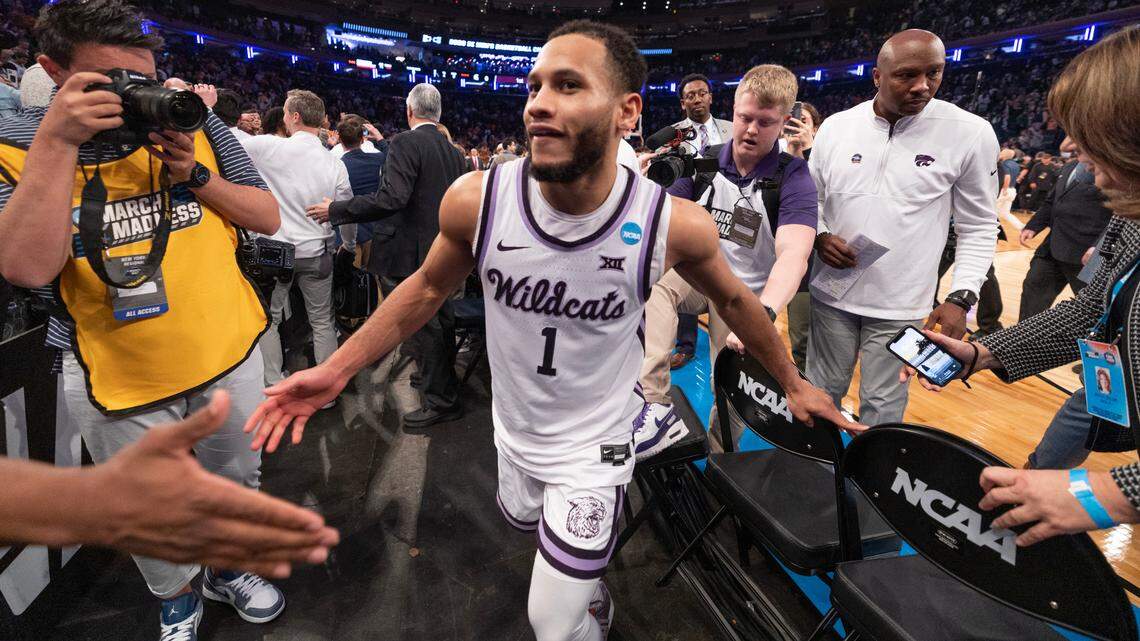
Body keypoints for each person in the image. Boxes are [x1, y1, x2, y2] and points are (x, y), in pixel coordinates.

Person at [244, 20, 859, 641]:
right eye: (535, 86)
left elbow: (737, 299)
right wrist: (336, 367)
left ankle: (603, 548)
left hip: (597, 448)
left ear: (627, 112)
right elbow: (426, 289)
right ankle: (591, 589)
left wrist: (792, 381)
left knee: (550, 621)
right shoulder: (474, 199)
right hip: (515, 434)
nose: (539, 101)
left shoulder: (673, 223)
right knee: (539, 542)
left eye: (568, 85)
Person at [0, 2, 288, 638]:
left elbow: (264, 216)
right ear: (53, 73)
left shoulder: (193, 120)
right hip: (114, 370)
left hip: (228, 351)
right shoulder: (15, 145)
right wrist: (57, 141)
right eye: (112, 81)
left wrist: (193, 174)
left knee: (236, 481)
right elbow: (24, 266)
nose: (138, 96)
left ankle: (225, 569)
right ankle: (176, 597)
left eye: (145, 78)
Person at [906, 26, 1140, 547]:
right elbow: (1087, 314)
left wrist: (1108, 493)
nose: (1073, 149)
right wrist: (981, 353)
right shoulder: (1131, 215)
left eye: (1089, 133)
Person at [807, 29, 1000, 425]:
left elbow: (979, 226)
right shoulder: (837, 127)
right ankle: (814, 475)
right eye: (907, 75)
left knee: (883, 410)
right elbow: (812, 202)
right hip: (831, 295)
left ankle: (866, 486)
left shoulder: (971, 133)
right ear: (877, 76)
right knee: (820, 394)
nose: (922, 86)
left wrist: (961, 297)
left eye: (934, 73)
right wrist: (820, 235)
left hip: (903, 307)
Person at [638, 64, 818, 456]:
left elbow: (795, 253)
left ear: (784, 122)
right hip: (704, 279)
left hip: (749, 297)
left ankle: (721, 463)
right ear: (732, 111)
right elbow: (664, 216)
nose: (751, 130)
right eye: (745, 118)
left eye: (765, 122)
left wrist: (766, 311)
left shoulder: (795, 177)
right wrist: (638, 187)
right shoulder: (705, 161)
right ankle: (653, 407)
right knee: (653, 281)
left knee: (730, 388)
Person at [0, 391, 339, 578]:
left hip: (223, 341)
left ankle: (227, 576)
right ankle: (177, 601)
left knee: (239, 473)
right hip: (104, 360)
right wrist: (97, 502)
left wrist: (96, 501)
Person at [305, 83, 468, 429]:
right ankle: (437, 383)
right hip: (443, 250)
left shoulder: (406, 142)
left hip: (408, 252)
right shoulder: (454, 152)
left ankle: (441, 399)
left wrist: (337, 209)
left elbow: (391, 198)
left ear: (410, 111)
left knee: (422, 328)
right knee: (440, 322)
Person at [241, 90, 354, 388]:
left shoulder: (269, 148)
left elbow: (227, 142)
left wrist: (209, 111)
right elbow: (346, 209)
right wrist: (350, 245)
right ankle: (325, 390)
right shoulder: (334, 162)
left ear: (294, 117)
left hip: (275, 253)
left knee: (270, 321)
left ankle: (274, 382)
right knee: (321, 322)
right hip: (318, 251)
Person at [1017, 137, 1114, 320]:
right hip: (1052, 247)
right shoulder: (1069, 166)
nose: (1068, 142)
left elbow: (1120, 214)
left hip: (1086, 252)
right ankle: (1020, 344)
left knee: (1091, 310)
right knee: (1033, 291)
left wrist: (1100, 246)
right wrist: (1033, 226)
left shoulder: (1112, 170)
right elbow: (1052, 202)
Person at [783, 101, 821, 371]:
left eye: (804, 120)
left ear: (815, 128)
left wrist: (809, 151)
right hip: (794, 261)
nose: (797, 125)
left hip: (824, 257)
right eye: (792, 120)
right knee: (800, 337)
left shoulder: (827, 157)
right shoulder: (774, 159)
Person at [672, 73, 731, 156]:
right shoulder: (671, 135)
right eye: (690, 96)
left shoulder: (732, 129)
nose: (698, 100)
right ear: (683, 104)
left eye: (702, 94)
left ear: (710, 98)